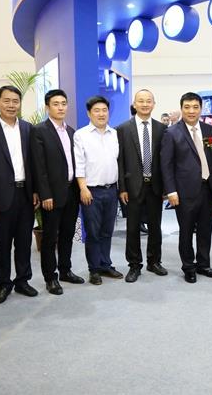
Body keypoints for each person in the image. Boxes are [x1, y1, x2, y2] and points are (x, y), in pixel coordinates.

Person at [0, 85, 39, 304]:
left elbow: (34, 164)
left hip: (26, 195)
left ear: (20, 104)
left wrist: (36, 190)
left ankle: (23, 280)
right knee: (2, 243)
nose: (11, 105)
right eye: (7, 101)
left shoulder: (29, 129)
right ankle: (3, 284)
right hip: (1, 197)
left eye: (15, 101)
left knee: (24, 241)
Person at [161, 92, 212, 283]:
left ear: (201, 109)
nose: (191, 111)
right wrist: (171, 191)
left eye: (195, 107)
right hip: (183, 192)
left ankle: (203, 264)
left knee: (205, 230)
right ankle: (188, 266)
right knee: (186, 231)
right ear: (181, 109)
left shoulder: (210, 130)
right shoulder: (172, 133)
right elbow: (166, 165)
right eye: (187, 107)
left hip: (208, 189)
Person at [30, 89, 85, 295]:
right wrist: (45, 194)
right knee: (50, 238)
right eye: (56, 104)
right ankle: (50, 277)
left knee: (68, 234)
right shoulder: (39, 131)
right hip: (51, 195)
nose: (61, 107)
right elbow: (39, 166)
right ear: (47, 107)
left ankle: (65, 270)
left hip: (71, 192)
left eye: (63, 103)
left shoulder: (71, 132)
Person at [117, 89, 168, 282]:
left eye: (148, 101)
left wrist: (166, 187)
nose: (145, 104)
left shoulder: (162, 129)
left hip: (155, 186)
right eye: (141, 101)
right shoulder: (122, 129)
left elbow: (165, 160)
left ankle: (154, 261)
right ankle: (134, 265)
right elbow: (120, 161)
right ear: (134, 104)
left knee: (155, 226)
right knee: (132, 228)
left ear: (154, 104)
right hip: (132, 187)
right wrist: (122, 188)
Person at [73, 96, 123, 285]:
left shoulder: (115, 134)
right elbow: (79, 163)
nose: (101, 114)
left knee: (107, 231)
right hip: (91, 191)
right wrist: (83, 188)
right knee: (93, 232)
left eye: (104, 110)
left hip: (111, 190)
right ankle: (94, 269)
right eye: (96, 110)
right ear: (89, 113)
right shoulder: (81, 135)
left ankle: (105, 264)